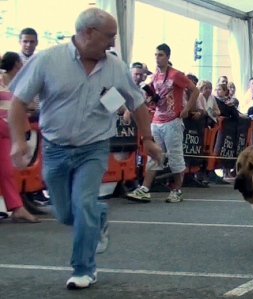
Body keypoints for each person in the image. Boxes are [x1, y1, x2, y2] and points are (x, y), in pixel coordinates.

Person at [8, 8, 162, 289]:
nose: (113, 43)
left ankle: (83, 269)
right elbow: (18, 101)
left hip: (93, 148)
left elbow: (137, 102)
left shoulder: (115, 66)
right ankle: (99, 215)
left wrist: (148, 139)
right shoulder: (48, 60)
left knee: (83, 204)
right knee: (66, 213)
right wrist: (18, 140)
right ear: (88, 33)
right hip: (55, 148)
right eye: (110, 37)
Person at [126, 43, 199, 203]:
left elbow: (195, 90)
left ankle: (177, 190)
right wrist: (149, 100)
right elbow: (151, 98)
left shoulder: (175, 75)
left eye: (160, 55)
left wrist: (187, 108)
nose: (157, 58)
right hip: (157, 120)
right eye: (155, 55)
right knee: (154, 155)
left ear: (167, 57)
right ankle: (145, 188)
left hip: (173, 121)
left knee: (174, 157)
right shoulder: (154, 77)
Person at [0, 52, 39, 223]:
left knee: (7, 171)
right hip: (4, 129)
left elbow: (28, 104)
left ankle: (17, 207)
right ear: (17, 64)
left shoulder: (18, 84)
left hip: (7, 132)